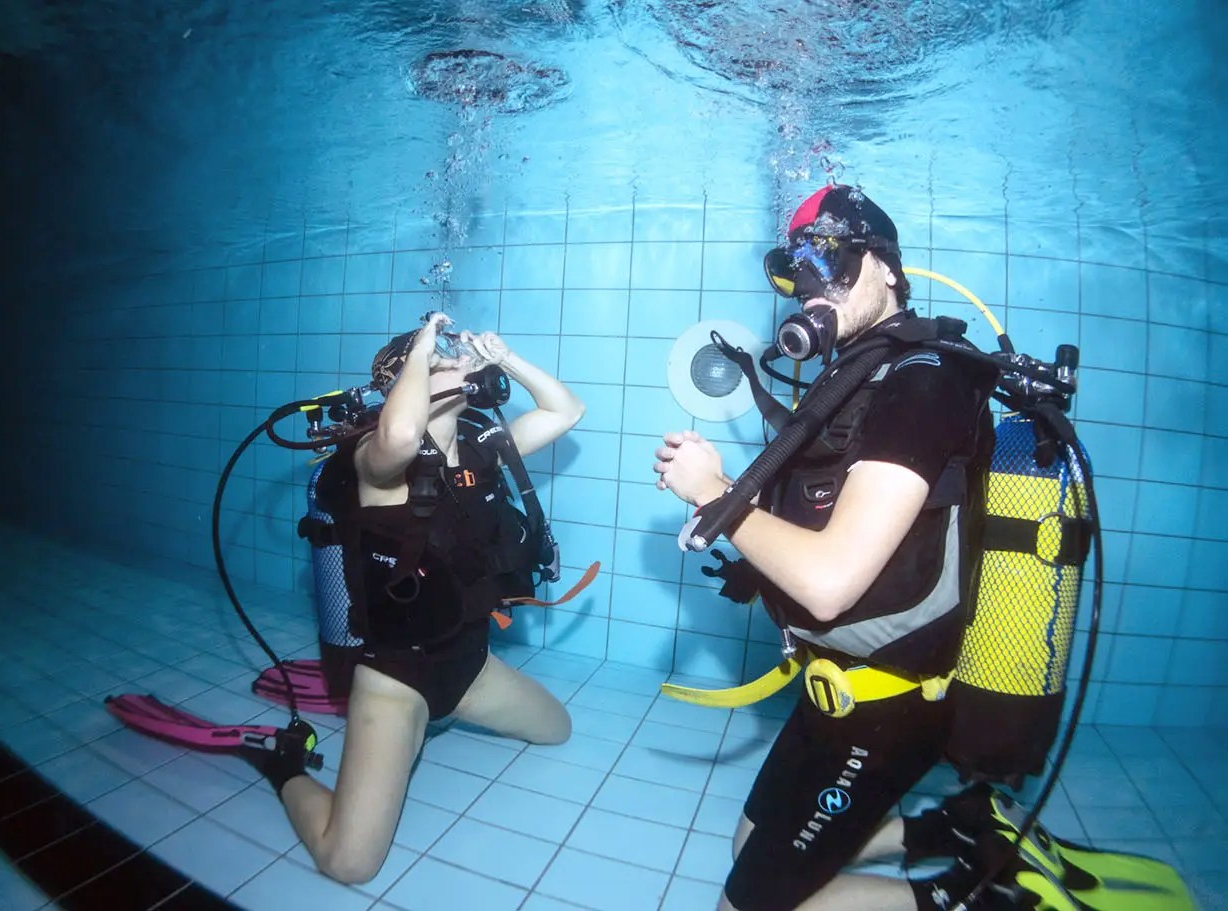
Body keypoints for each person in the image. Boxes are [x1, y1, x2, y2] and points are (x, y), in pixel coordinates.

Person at [653, 185, 998, 911]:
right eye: (797, 272)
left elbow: (831, 582)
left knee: (749, 902)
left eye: (832, 261)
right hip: (829, 691)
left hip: (887, 705)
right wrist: (733, 504)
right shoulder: (856, 377)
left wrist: (714, 495)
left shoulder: (924, 383)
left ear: (888, 267)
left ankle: (970, 897)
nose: (813, 288)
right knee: (749, 847)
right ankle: (944, 828)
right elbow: (820, 515)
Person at [256, 313, 583, 884]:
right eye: (445, 362)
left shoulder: (482, 448)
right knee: (349, 863)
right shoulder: (372, 460)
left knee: (558, 729)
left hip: (469, 666)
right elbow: (402, 437)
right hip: (395, 679)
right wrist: (422, 349)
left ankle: (437, 719)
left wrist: (505, 359)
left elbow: (565, 411)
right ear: (408, 379)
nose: (462, 364)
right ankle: (284, 769)